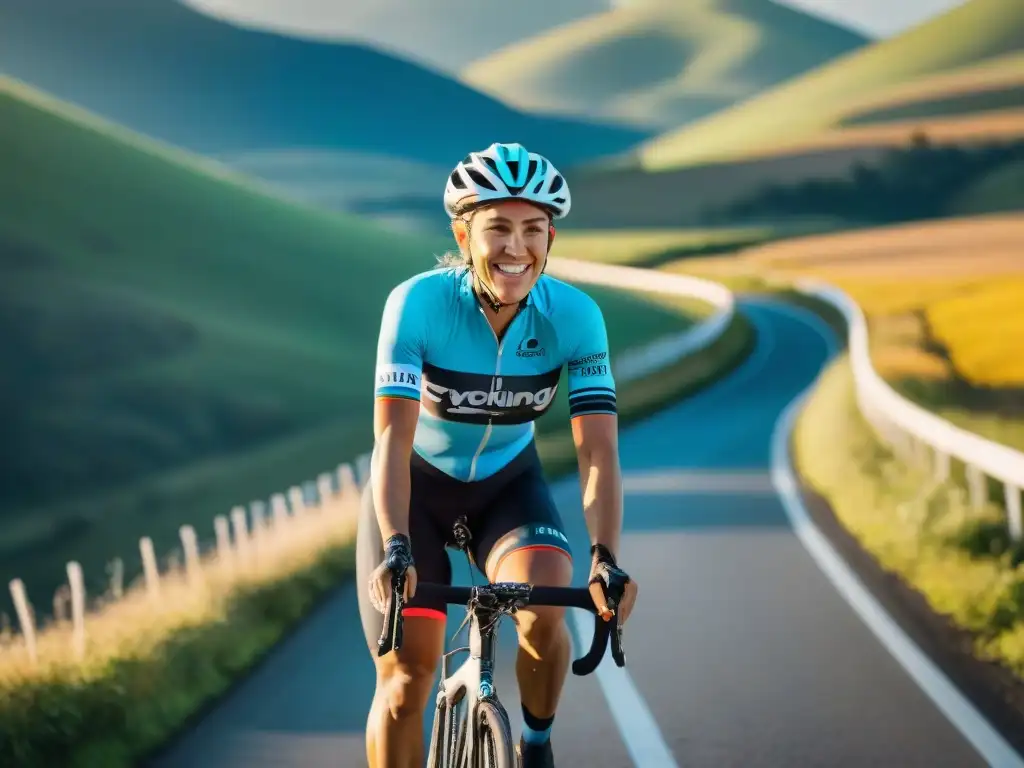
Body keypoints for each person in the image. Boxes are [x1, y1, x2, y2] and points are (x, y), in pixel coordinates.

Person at [356, 141, 639, 768]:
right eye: (498, 228)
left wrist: (606, 560)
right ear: (463, 233)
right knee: (408, 677)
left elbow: (597, 451)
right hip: (415, 494)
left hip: (507, 489)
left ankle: (535, 744)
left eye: (533, 229)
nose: (517, 247)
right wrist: (396, 544)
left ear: (551, 238)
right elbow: (393, 439)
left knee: (544, 608)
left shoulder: (576, 316)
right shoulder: (418, 304)